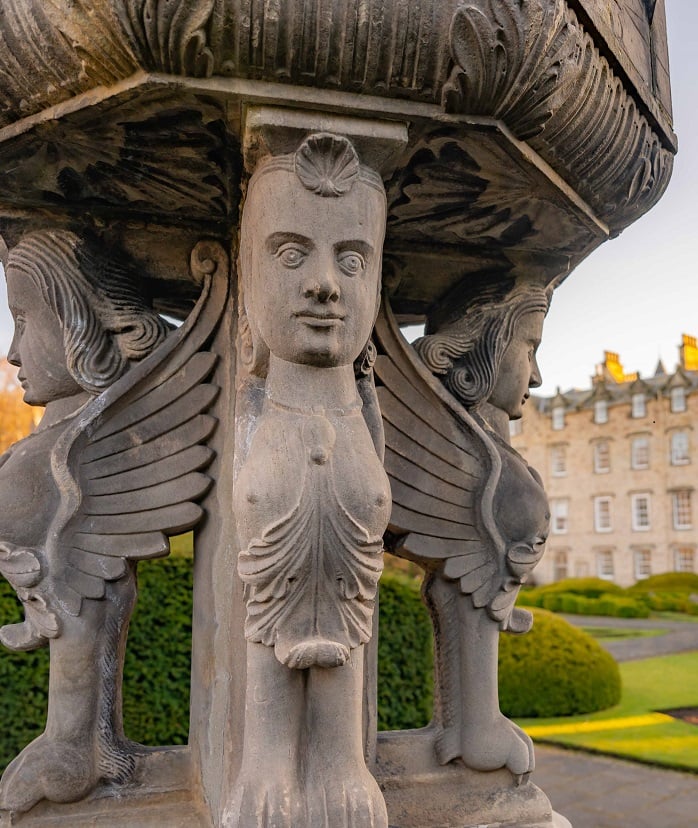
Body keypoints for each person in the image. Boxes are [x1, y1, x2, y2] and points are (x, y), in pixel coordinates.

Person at [226, 133, 390, 827]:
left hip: (343, 433)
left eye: (351, 259)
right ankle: (264, 759)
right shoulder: (253, 406)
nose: (325, 282)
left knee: (353, 595)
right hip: (269, 619)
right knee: (265, 584)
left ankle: (342, 757)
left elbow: (356, 587)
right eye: (291, 253)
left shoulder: (364, 410)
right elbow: (259, 584)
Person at [0, 229, 171, 812]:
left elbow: (83, 583)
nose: (14, 353)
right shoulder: (59, 448)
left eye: (23, 322)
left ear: (83, 327)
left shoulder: (67, 454)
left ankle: (78, 742)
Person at [376, 273, 552, 779]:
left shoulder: (488, 456)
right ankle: (474, 727)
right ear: (484, 351)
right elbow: (463, 584)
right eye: (530, 348)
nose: (536, 376)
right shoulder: (479, 464)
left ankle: (477, 719)